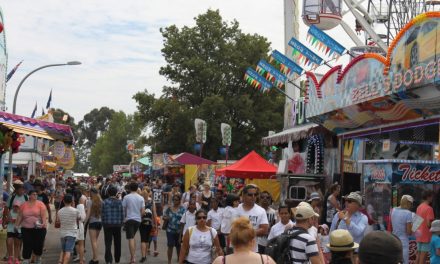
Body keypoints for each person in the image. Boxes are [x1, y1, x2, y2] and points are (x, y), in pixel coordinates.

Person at [14, 190, 47, 264]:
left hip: (39, 229)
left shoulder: (40, 204)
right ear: (29, 195)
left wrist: (43, 224)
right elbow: (20, 216)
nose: (35, 195)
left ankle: (38, 258)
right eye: (33, 194)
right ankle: (26, 259)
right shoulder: (24, 205)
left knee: (38, 244)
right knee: (27, 244)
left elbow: (44, 216)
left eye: (36, 194)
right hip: (26, 229)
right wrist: (16, 225)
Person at [236, 184, 269, 252]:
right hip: (236, 249)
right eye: (250, 195)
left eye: (255, 194)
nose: (253, 197)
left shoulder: (261, 211)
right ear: (243, 196)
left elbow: (264, 229)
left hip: (253, 250)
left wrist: (247, 233)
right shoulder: (236, 209)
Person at [3, 180, 28, 264]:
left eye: (22, 189)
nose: (21, 191)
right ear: (16, 190)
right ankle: (10, 257)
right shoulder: (12, 197)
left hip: (20, 224)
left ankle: (16, 258)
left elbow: (28, 210)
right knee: (9, 241)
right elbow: (6, 209)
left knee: (17, 242)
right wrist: (5, 219)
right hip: (11, 223)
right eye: (20, 189)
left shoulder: (26, 197)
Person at [122, 181, 145, 264]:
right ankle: (133, 255)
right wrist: (139, 217)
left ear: (130, 188)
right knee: (133, 236)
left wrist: (124, 219)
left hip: (129, 219)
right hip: (138, 220)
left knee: (130, 238)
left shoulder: (126, 197)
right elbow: (143, 211)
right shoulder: (141, 198)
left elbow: (123, 209)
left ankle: (133, 258)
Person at [101, 185, 124, 264]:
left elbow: (102, 214)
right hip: (117, 225)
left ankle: (108, 260)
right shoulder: (120, 202)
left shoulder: (104, 202)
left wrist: (103, 223)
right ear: (116, 193)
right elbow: (122, 214)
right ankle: (117, 259)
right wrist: (121, 223)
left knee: (108, 243)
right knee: (117, 243)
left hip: (107, 225)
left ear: (108, 193)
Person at [57, 194, 80, 264]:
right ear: (72, 201)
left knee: (64, 250)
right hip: (72, 233)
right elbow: (80, 218)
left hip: (62, 233)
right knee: (68, 251)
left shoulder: (59, 211)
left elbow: (59, 221)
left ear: (63, 201)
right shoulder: (76, 211)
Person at [390, 194, 413, 264]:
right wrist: (414, 228)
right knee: (404, 261)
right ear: (409, 203)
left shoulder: (393, 210)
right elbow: (409, 232)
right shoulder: (408, 213)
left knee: (395, 261)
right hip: (403, 241)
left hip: (394, 239)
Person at [163, 193, 185, 264]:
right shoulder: (169, 208)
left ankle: (179, 260)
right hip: (170, 230)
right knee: (170, 246)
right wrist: (166, 218)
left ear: (179, 200)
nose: (175, 201)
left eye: (177, 200)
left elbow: (184, 220)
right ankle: (169, 261)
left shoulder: (183, 209)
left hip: (179, 231)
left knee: (178, 247)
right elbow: (164, 216)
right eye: (174, 200)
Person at [415, 190, 435, 264]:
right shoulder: (429, 209)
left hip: (418, 234)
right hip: (426, 235)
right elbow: (428, 224)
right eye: (432, 196)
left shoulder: (419, 207)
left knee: (418, 256)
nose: (432, 198)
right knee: (423, 258)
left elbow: (416, 223)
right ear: (428, 197)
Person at [139, 186, 157, 263]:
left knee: (143, 239)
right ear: (149, 193)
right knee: (146, 239)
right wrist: (155, 224)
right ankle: (145, 254)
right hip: (149, 222)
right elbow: (154, 213)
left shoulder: (140, 200)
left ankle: (143, 256)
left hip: (141, 222)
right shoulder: (152, 201)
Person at [86, 188, 102, 264]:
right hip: (100, 222)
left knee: (93, 241)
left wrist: (84, 222)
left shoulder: (90, 201)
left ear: (92, 193)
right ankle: (94, 257)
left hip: (92, 222)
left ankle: (96, 259)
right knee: (95, 241)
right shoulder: (101, 201)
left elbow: (88, 214)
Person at [6, 200, 24, 264]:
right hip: (10, 230)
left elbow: (23, 221)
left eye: (17, 206)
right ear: (13, 206)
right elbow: (7, 220)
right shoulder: (10, 212)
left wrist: (16, 221)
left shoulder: (21, 213)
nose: (16, 208)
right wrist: (9, 220)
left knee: (17, 244)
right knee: (9, 243)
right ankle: (10, 257)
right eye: (15, 206)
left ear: (19, 207)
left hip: (18, 230)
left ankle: (16, 258)